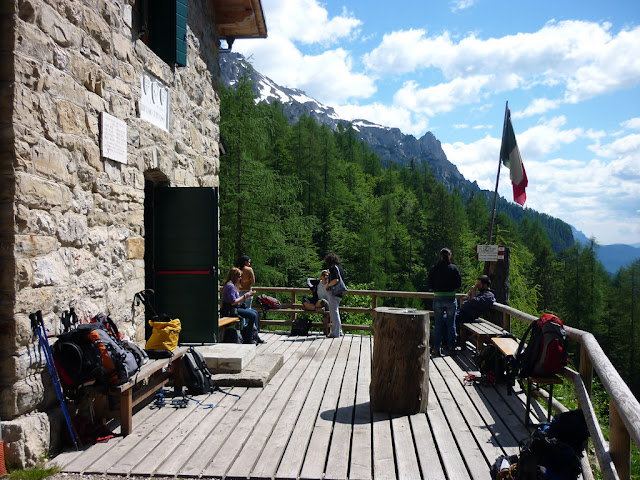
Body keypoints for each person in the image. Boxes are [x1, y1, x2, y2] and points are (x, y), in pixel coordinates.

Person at [428, 248, 462, 356]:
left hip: (438, 298)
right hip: (451, 299)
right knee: (451, 324)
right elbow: (458, 284)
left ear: (440, 256)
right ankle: (452, 348)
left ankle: (436, 348)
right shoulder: (453, 268)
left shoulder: (435, 268)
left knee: (438, 325)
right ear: (450, 256)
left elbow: (430, 283)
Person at [221, 267, 264, 344]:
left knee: (254, 312)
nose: (240, 278)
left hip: (235, 308)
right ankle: (249, 337)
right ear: (235, 277)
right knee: (252, 315)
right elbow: (233, 302)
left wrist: (248, 295)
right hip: (231, 310)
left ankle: (254, 335)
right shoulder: (230, 286)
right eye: (239, 276)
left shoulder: (231, 285)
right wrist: (245, 296)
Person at [324, 254, 346, 338]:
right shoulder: (340, 269)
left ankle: (335, 333)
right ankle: (339, 331)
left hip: (333, 292)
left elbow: (335, 280)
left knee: (334, 313)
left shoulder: (333, 269)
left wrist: (328, 286)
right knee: (336, 312)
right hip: (340, 292)